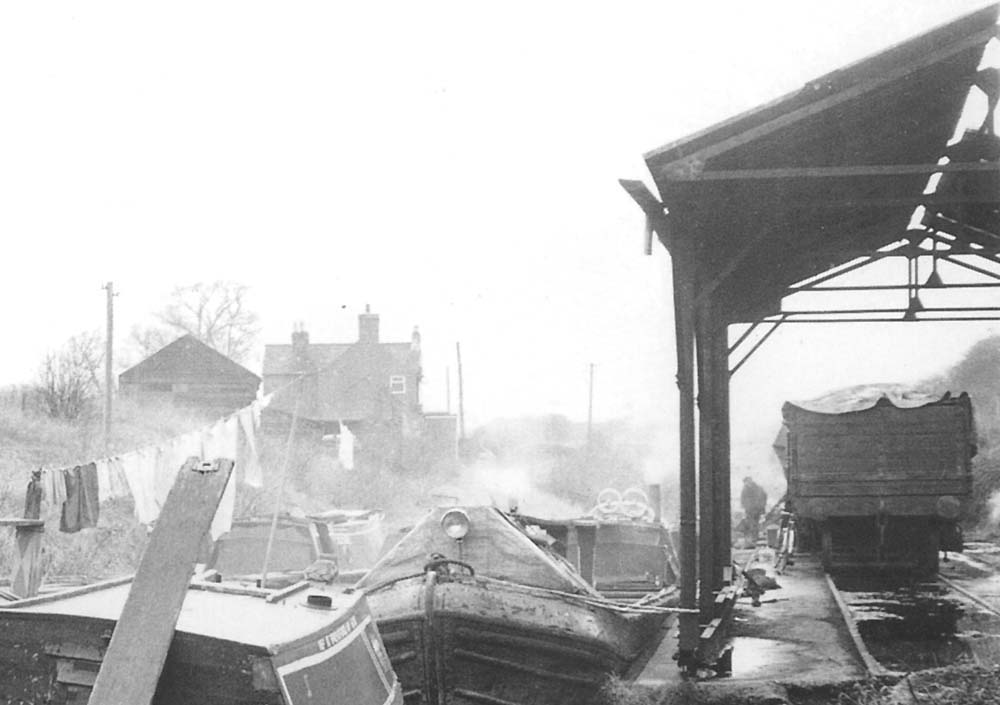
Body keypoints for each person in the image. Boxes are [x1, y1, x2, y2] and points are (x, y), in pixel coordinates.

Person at [740, 476, 767, 541]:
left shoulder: (758, 488)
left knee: (754, 523)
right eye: (746, 482)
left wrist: (762, 505)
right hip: (750, 509)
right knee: (752, 523)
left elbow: (764, 496)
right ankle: (753, 537)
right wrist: (745, 506)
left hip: (756, 508)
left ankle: (754, 537)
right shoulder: (746, 489)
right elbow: (742, 499)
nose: (747, 483)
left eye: (748, 481)